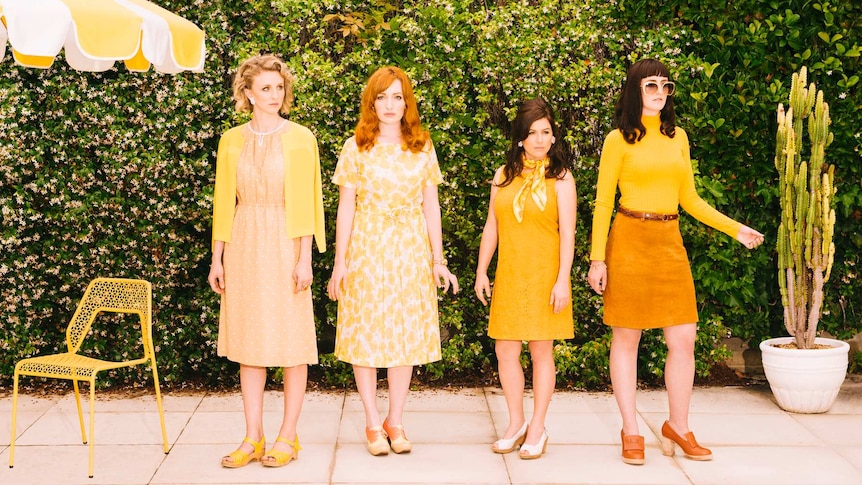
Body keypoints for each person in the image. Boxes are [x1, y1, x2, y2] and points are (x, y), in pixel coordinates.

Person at [588, 59, 764, 465]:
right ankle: (630, 429)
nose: (659, 93)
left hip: (669, 241)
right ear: (634, 89)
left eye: (665, 86)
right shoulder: (619, 139)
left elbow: (690, 199)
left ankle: (678, 427)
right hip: (629, 237)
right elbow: (601, 202)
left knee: (683, 339)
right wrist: (598, 259)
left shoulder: (677, 137)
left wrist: (734, 228)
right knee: (626, 339)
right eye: (651, 85)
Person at [327, 66, 459, 456]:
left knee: (406, 334)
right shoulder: (356, 146)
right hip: (366, 248)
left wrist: (438, 259)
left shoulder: (422, 145)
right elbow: (345, 208)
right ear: (372, 102)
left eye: (397, 97)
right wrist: (339, 262)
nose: (389, 105)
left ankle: (395, 419)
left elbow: (431, 205)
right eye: (382, 97)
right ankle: (371, 421)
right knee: (364, 332)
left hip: (410, 250)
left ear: (407, 102)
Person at [208, 54, 325, 468]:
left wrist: (304, 258)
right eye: (266, 89)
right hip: (243, 243)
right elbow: (224, 201)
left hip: (286, 242)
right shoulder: (230, 140)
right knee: (248, 346)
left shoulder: (300, 137)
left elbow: (307, 201)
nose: (275, 95)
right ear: (247, 94)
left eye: (279, 87)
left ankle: (288, 436)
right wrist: (217, 259)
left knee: (292, 345)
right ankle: (252, 437)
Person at [475, 98, 576, 460]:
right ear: (520, 138)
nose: (539, 139)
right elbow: (492, 225)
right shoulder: (503, 175)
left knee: (541, 351)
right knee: (505, 350)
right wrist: (482, 269)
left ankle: (537, 427)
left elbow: (568, 234)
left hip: (545, 274)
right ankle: (516, 421)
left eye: (546, 132)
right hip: (511, 272)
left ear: (553, 137)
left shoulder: (561, 179)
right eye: (532, 133)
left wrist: (562, 279)